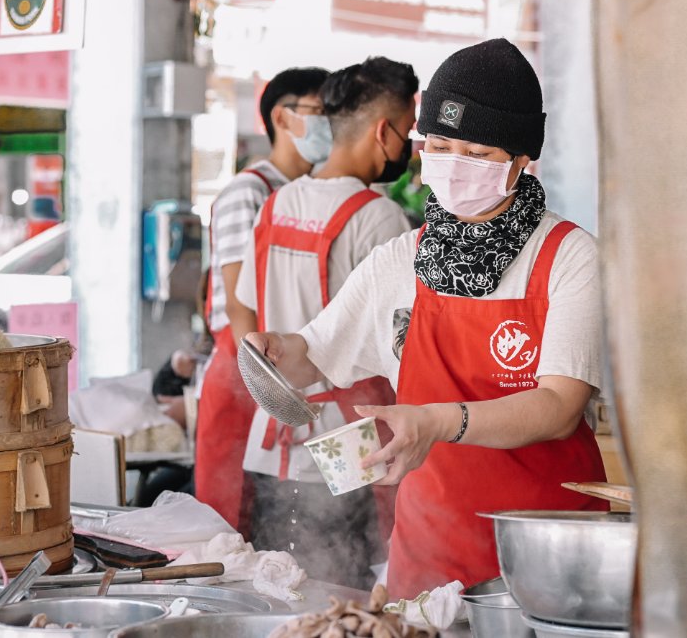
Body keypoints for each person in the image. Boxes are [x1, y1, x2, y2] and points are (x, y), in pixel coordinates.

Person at [246, 39, 608, 599]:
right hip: (429, 559)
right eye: (439, 145)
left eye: (478, 154)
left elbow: (559, 407)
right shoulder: (400, 259)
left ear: (521, 159)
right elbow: (312, 354)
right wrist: (274, 352)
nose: (456, 166)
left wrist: (440, 421)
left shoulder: (569, 257)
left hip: (549, 562)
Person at [234, 57, 416, 588]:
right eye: (407, 131)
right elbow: (398, 344)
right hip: (347, 449)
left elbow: (244, 312)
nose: (408, 147)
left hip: (270, 441)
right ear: (385, 132)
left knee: (278, 594)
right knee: (343, 600)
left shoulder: (276, 204)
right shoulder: (377, 216)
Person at [195, 67, 331, 534]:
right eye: (320, 111)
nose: (330, 123)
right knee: (233, 523)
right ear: (282, 117)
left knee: (280, 527)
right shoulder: (248, 192)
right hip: (245, 373)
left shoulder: (308, 194)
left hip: (279, 369)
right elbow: (239, 308)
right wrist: (269, 391)